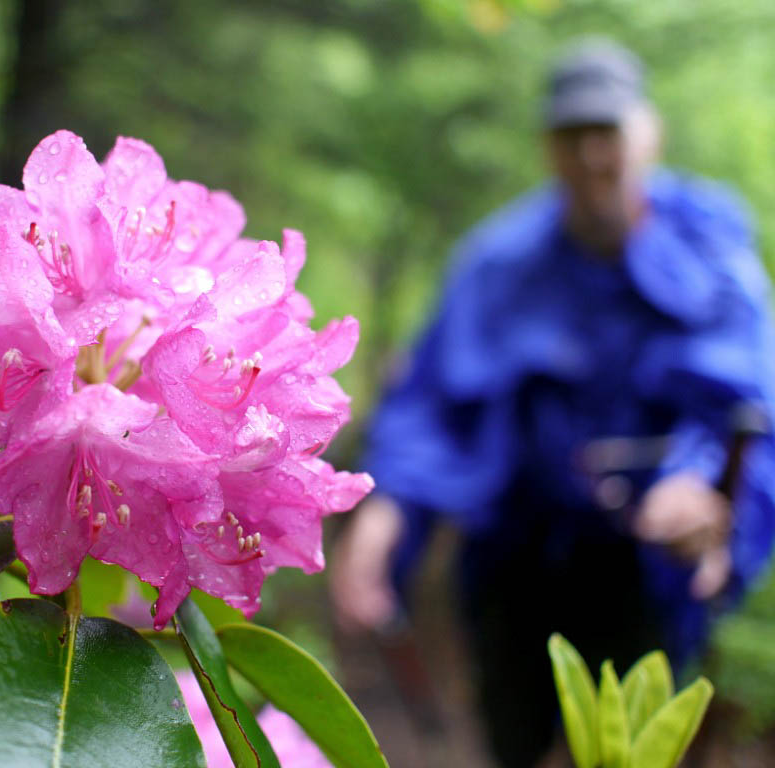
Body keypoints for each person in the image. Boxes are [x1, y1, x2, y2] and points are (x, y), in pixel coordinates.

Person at [331, 39, 775, 768]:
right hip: (517, 559)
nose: (592, 156)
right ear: (549, 148)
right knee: (514, 738)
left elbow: (741, 408)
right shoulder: (499, 262)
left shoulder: (712, 251)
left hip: (646, 567)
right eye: (572, 137)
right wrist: (387, 514)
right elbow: (436, 401)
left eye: (608, 133)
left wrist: (702, 489)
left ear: (647, 135)